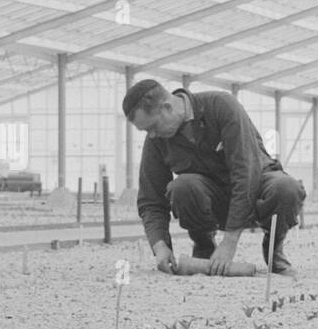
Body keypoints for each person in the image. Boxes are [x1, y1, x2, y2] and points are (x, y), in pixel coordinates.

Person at [123, 79, 304, 275]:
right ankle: (204, 245)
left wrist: (229, 242)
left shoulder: (221, 106)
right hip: (215, 199)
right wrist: (160, 246)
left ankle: (273, 248)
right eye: (146, 131)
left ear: (167, 107)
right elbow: (151, 199)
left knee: (287, 188)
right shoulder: (158, 139)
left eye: (152, 127)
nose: (151, 135)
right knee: (183, 187)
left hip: (256, 185)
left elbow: (246, 174)